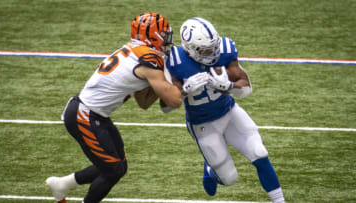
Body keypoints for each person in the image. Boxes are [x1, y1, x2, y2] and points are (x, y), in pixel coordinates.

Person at [46, 12, 182, 203]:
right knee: (113, 170)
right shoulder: (149, 57)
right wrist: (182, 83)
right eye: (165, 35)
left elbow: (143, 103)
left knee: (118, 166)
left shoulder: (138, 52)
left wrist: (165, 84)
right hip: (85, 114)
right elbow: (175, 101)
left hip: (94, 114)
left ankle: (62, 184)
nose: (167, 40)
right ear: (153, 36)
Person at [164, 17, 285, 203]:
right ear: (189, 48)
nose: (213, 53)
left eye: (214, 47)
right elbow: (165, 106)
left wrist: (228, 86)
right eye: (206, 50)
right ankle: (211, 169)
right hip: (202, 125)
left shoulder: (225, 50)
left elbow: (246, 88)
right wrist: (184, 91)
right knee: (229, 179)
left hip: (229, 112)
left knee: (260, 153)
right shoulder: (175, 60)